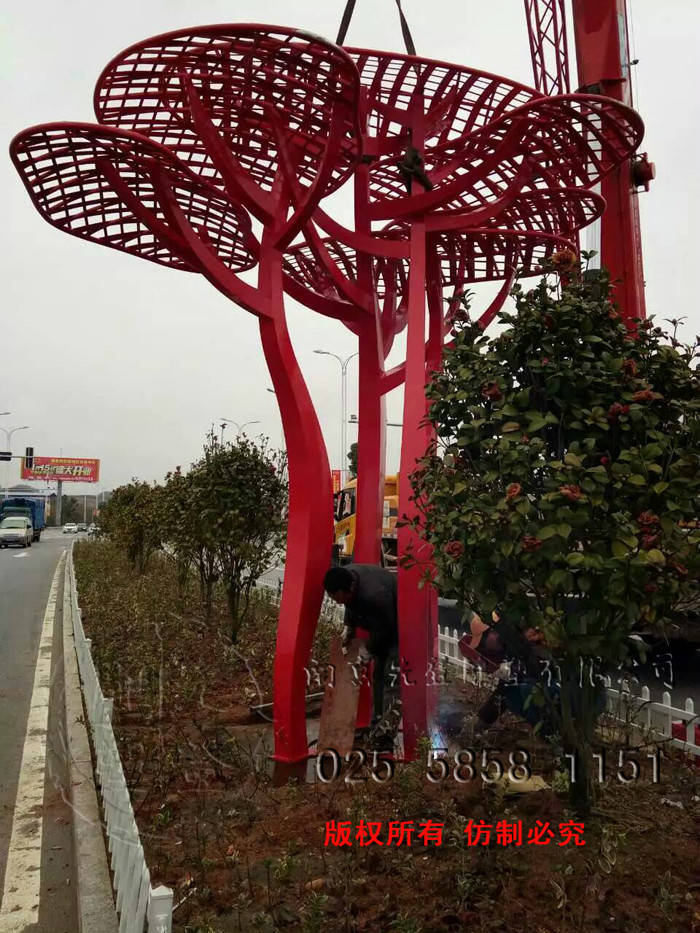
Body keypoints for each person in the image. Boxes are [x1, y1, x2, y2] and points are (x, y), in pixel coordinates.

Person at [323, 564, 400, 747]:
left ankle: (385, 735)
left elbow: (384, 628)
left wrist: (367, 652)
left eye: (339, 599)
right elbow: (350, 603)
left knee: (392, 680)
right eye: (334, 600)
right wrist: (349, 626)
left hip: (400, 627)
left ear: (350, 588)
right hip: (382, 624)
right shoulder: (347, 577)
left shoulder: (375, 595)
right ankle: (376, 728)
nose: (337, 603)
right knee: (378, 677)